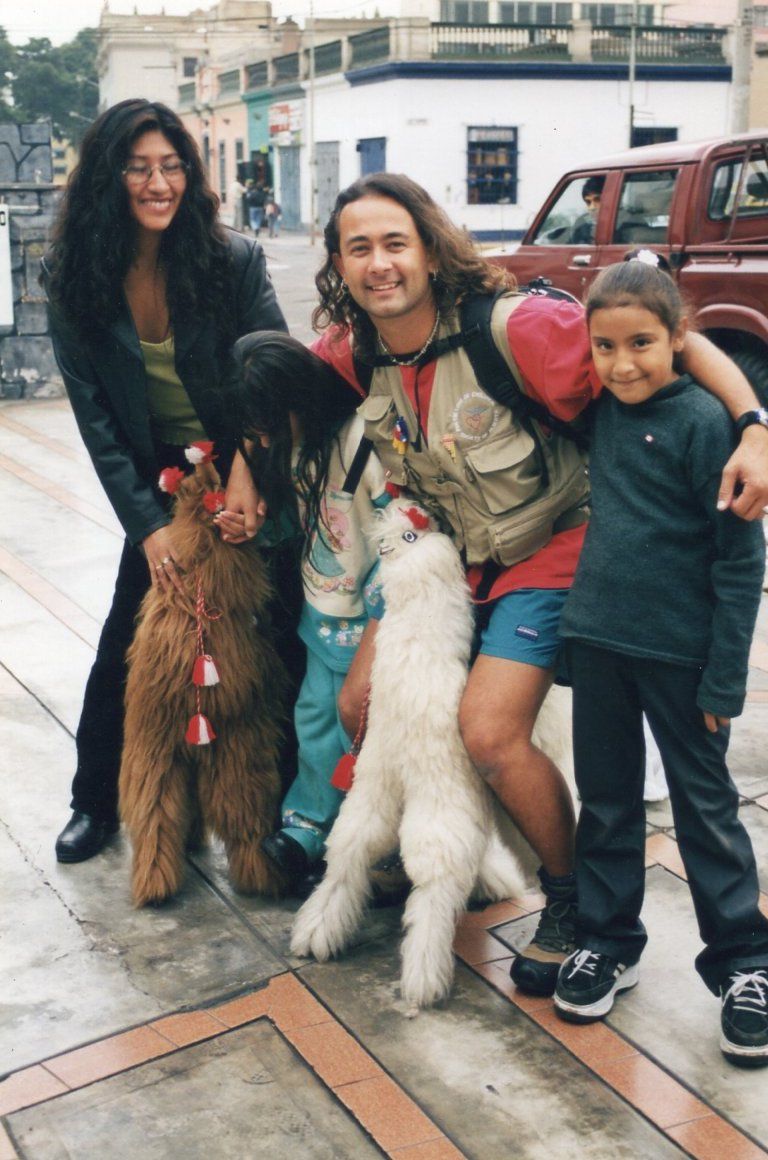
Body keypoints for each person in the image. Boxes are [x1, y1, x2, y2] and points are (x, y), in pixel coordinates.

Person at [222, 173, 768, 997]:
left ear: (430, 249)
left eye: (396, 243)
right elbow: (274, 395)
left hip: (556, 554)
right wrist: (241, 465)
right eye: (359, 248)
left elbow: (673, 340)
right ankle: (444, 856)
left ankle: (571, 901)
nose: (379, 263)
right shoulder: (352, 351)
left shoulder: (519, 329)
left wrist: (753, 425)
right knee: (359, 704)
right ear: (338, 263)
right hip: (452, 564)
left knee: (488, 730)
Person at [44, 98, 296, 864]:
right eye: (138, 168)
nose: (160, 184)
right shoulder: (74, 278)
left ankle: (288, 817)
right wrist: (148, 528)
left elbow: (273, 367)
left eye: (172, 166)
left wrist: (250, 468)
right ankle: (95, 801)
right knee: (130, 636)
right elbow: (96, 420)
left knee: (281, 630)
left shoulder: (231, 260)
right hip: (160, 481)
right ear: (107, 179)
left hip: (249, 458)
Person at [553, 254, 768, 1068]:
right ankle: (608, 941)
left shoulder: (707, 426)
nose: (622, 364)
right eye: (605, 347)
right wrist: (575, 645)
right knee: (606, 804)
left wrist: (724, 677)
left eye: (641, 342)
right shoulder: (597, 411)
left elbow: (740, 563)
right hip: (600, 648)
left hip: (683, 661)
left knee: (705, 812)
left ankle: (745, 964)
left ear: (679, 338)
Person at [227, 331, 389, 883]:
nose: (263, 439)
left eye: (270, 425)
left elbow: (403, 532)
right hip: (319, 619)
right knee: (315, 721)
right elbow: (295, 525)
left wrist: (383, 603)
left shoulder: (363, 441)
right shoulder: (290, 448)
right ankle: (308, 826)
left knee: (359, 734)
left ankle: (366, 840)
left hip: (370, 623)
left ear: (300, 398)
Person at [571, 174, 604, 244]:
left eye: (597, 200)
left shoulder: (624, 222)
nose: (592, 207)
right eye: (588, 202)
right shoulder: (581, 224)